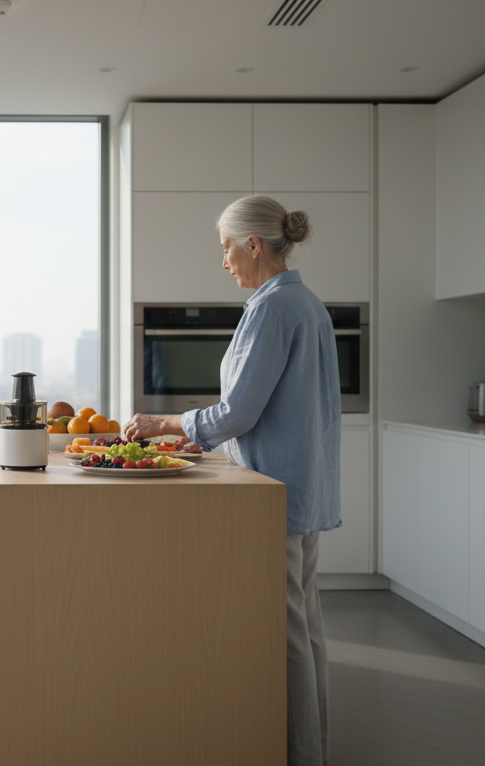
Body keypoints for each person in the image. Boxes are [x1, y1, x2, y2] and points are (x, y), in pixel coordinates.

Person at [124, 195, 341, 766]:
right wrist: (200, 434)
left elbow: (239, 411)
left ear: (252, 245)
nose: (223, 262)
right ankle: (314, 748)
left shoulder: (271, 310)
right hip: (304, 483)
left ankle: (299, 755)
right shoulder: (308, 304)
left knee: (287, 630)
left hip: (273, 492)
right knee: (308, 626)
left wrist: (164, 422)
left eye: (226, 248)